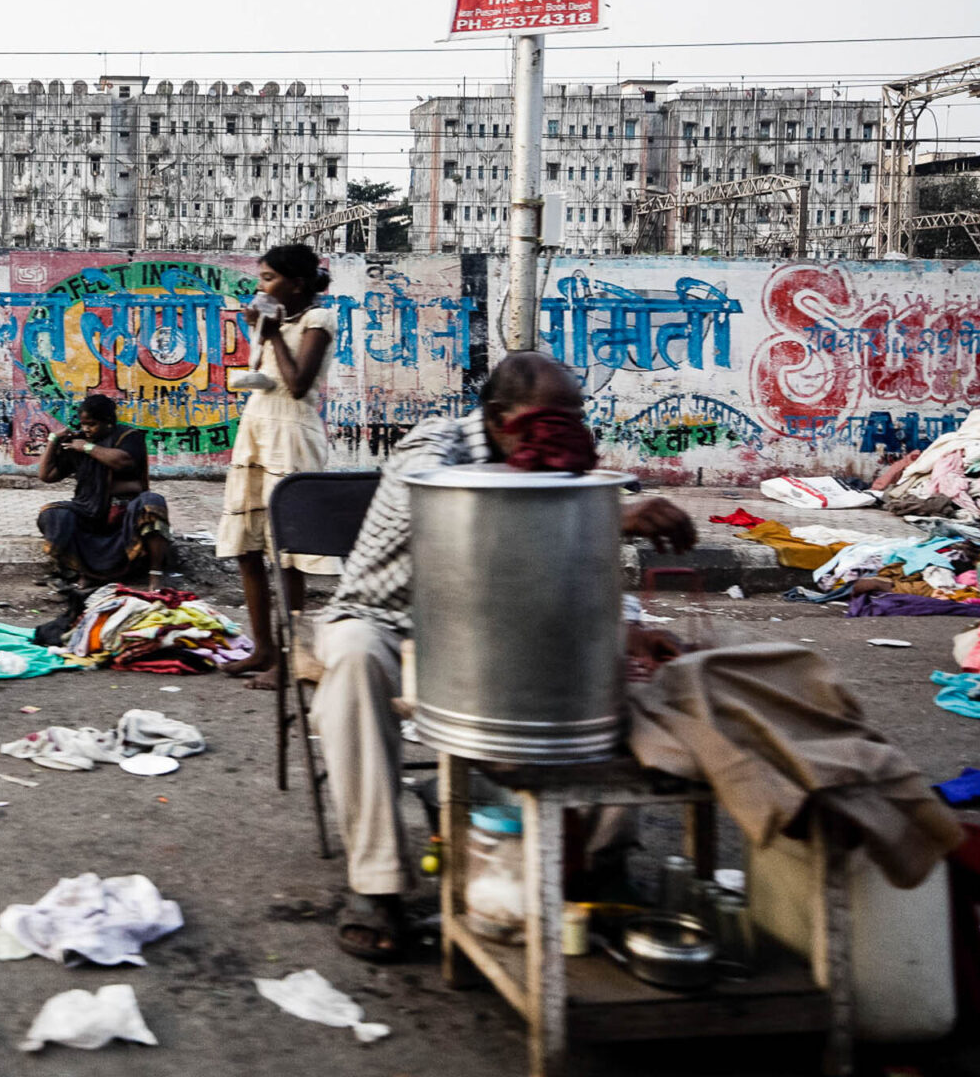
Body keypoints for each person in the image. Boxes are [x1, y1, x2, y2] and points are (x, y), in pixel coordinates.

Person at [311, 352, 697, 961]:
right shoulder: (432, 448)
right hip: (387, 622)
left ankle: (601, 861)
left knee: (615, 678)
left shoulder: (559, 470)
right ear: (496, 417)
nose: (568, 431)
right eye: (551, 417)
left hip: (494, 627)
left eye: (576, 416)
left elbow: (577, 566)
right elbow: (465, 522)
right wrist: (607, 514)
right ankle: (377, 885)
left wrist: (627, 631)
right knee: (353, 665)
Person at [216, 242, 336, 684]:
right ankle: (263, 649)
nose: (261, 286)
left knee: (287, 556)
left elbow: (299, 384)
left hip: (292, 436)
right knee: (247, 548)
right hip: (256, 430)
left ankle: (289, 660)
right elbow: (264, 376)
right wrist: (263, 330)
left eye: (269, 278)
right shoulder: (279, 322)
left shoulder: (318, 320)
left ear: (297, 284)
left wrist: (270, 335)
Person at [36, 394, 172, 587]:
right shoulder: (78, 443)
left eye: (92, 424)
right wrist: (53, 440)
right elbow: (46, 475)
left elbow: (122, 461)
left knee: (153, 503)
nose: (86, 429)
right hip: (89, 510)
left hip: (126, 512)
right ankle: (82, 571)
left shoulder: (128, 437)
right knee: (52, 514)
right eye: (83, 424)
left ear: (108, 422)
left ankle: (155, 574)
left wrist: (88, 448)